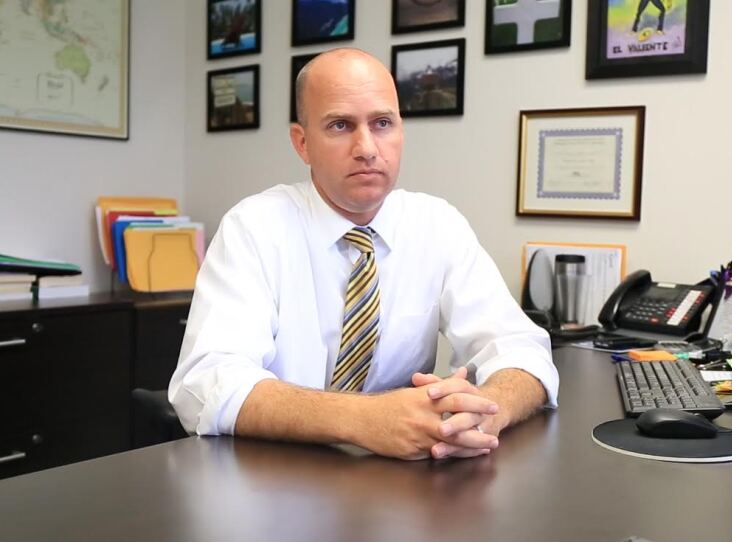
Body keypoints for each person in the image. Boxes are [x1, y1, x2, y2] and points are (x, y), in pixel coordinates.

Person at [169, 48, 558, 461]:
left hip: (399, 488)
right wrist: (363, 419)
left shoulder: (436, 225)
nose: (367, 148)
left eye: (383, 123)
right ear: (302, 143)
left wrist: (484, 413)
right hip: (275, 481)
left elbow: (520, 347)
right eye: (340, 125)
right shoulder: (254, 228)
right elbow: (206, 383)